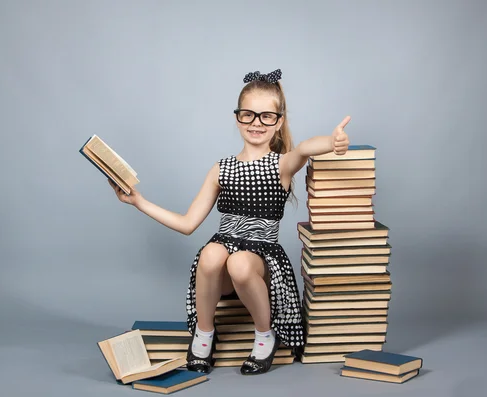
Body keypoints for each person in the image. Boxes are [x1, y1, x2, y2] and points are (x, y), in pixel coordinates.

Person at [108, 68, 350, 375]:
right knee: (211, 253)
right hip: (222, 255)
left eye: (266, 116)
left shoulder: (282, 164)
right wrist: (138, 202)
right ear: (237, 117)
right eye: (248, 115)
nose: (256, 123)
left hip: (260, 258)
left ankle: (265, 335)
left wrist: (333, 141)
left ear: (279, 122)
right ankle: (204, 334)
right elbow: (187, 224)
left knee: (239, 263)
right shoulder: (221, 168)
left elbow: (304, 148)